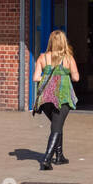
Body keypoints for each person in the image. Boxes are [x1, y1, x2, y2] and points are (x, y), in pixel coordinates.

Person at [32, 30, 79, 170]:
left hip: (45, 98)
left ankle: (59, 156)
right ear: (64, 42)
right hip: (61, 97)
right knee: (56, 127)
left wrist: (48, 78)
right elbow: (76, 78)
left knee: (57, 125)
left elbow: (35, 78)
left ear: (50, 42)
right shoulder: (69, 58)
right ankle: (47, 159)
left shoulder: (42, 58)